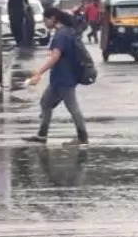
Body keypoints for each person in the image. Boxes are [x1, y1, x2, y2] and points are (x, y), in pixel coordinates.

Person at [24, 8, 89, 147]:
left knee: (73, 107)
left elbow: (55, 56)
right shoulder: (68, 32)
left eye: (45, 20)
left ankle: (83, 137)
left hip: (65, 78)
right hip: (60, 78)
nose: (44, 22)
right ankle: (42, 135)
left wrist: (39, 72)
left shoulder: (61, 35)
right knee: (46, 103)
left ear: (53, 19)